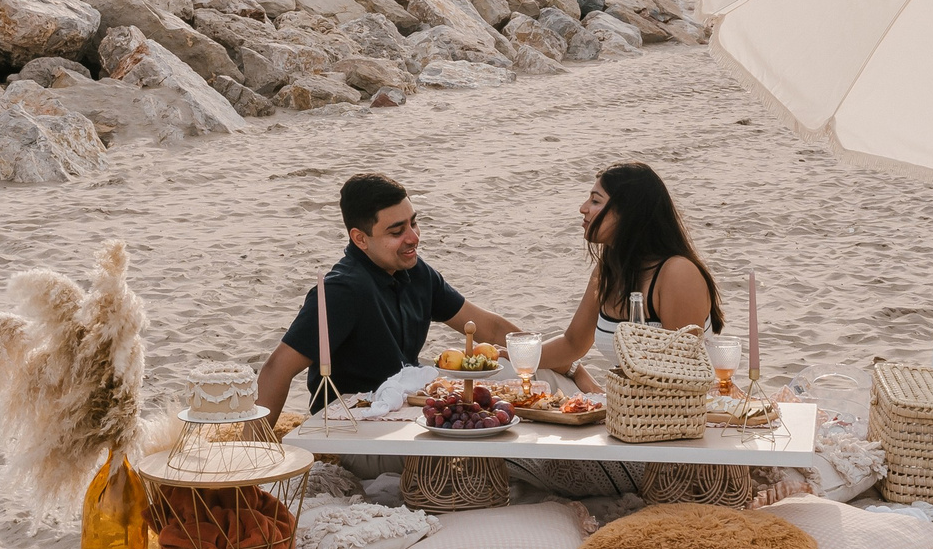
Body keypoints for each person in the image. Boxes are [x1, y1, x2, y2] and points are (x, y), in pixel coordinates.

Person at [257, 173, 520, 418]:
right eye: (397, 232)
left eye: (413, 223)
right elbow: (276, 369)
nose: (413, 238)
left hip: (412, 406)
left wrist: (543, 357)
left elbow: (492, 328)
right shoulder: (342, 291)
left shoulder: (416, 272)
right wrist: (256, 455)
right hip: (357, 425)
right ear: (360, 239)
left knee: (516, 373)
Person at [537, 162, 722, 391]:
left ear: (628, 214)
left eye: (595, 201)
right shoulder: (609, 269)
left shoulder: (677, 274)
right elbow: (572, 344)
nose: (583, 208)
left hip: (676, 412)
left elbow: (681, 374)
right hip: (628, 408)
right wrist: (513, 355)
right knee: (521, 371)